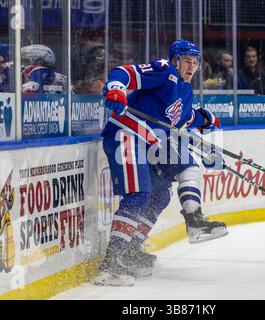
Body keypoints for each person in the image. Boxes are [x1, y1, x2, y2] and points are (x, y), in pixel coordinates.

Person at [93, 39, 227, 286]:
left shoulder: (185, 91)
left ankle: (190, 221)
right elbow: (124, 73)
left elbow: (183, 119)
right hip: (127, 134)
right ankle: (111, 264)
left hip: (151, 143)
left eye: (195, 63)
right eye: (187, 61)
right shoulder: (165, 70)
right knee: (138, 195)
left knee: (163, 192)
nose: (191, 67)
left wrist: (204, 118)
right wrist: (115, 89)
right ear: (176, 60)